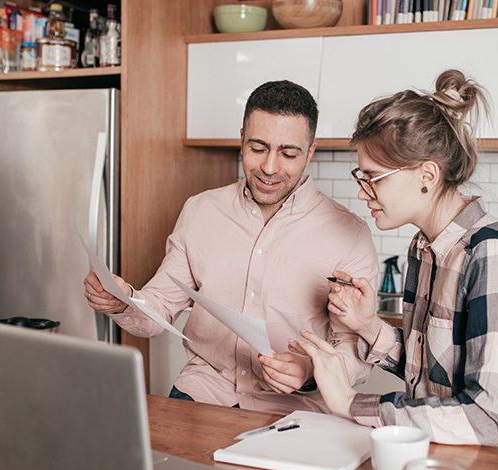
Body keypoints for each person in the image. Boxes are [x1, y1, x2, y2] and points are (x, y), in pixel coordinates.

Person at [291, 70, 498, 455]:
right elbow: (435, 372)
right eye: (361, 176)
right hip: (449, 460)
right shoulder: (424, 249)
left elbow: (490, 418)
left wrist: (351, 402)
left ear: (427, 174)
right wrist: (368, 326)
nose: (362, 192)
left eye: (374, 177)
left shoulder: (491, 253)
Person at [83, 80, 379, 414]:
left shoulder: (349, 234)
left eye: (288, 153)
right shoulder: (200, 211)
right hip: (204, 391)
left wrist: (311, 372)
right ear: (241, 140)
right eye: (258, 148)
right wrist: (123, 300)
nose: (269, 167)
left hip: (295, 410)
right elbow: (158, 310)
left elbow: (355, 352)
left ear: (310, 153)